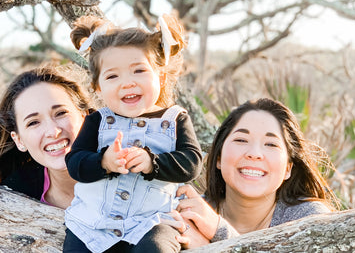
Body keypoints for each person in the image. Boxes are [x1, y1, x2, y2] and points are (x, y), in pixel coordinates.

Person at [63, 15, 203, 253]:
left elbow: (192, 163)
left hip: (152, 223)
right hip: (93, 223)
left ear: (159, 75)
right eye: (112, 76)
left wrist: (152, 162)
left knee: (156, 248)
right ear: (98, 86)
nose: (127, 83)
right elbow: (75, 163)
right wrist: (103, 161)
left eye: (138, 70)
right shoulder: (98, 120)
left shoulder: (174, 119)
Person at [164, 98, 340, 249]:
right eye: (241, 140)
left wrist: (216, 238)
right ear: (218, 158)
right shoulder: (187, 214)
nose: (254, 153)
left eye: (271, 144)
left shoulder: (308, 218)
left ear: (288, 168)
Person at [0, 64, 94, 209]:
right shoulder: (16, 191)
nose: (53, 132)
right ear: (19, 140)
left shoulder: (118, 159)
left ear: (84, 115)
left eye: (60, 113)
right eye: (33, 122)